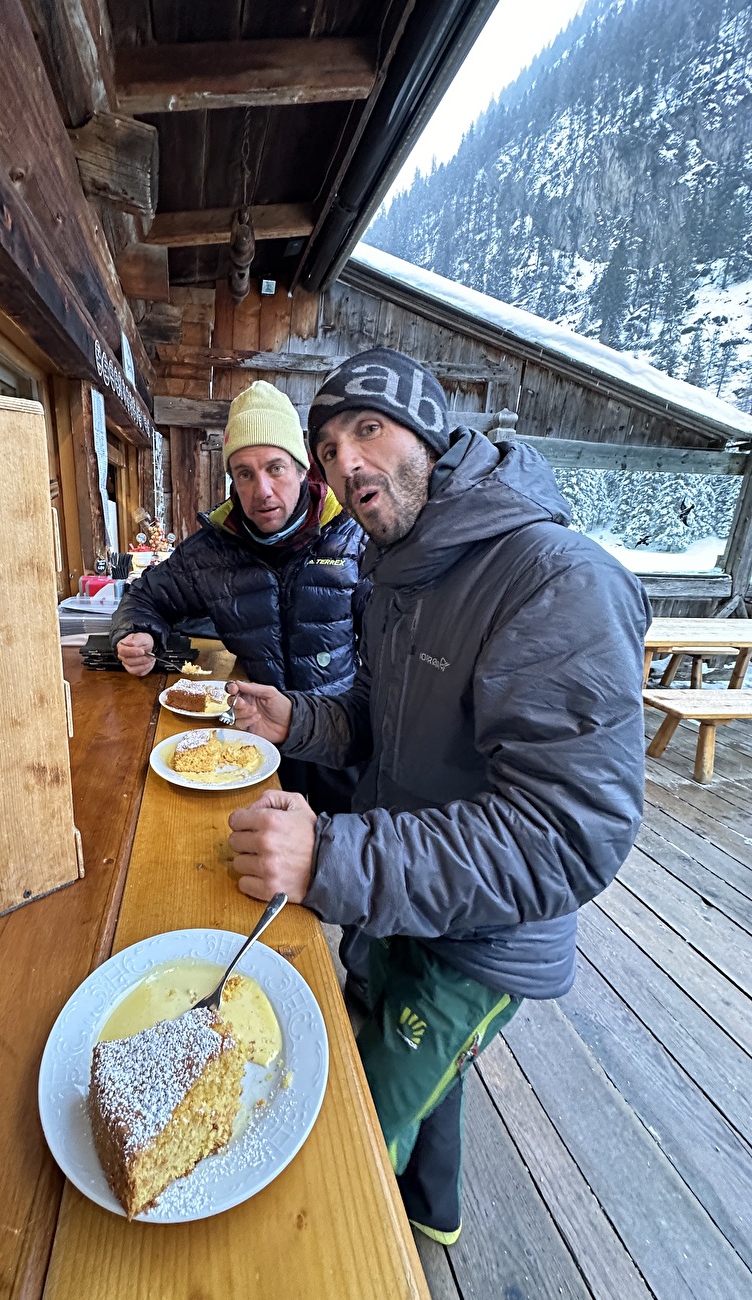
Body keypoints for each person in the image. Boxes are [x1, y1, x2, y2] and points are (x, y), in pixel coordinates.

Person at [225, 347, 650, 1244]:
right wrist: (296, 721)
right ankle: (435, 1207)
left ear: (429, 429)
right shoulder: (397, 568)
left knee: (339, 1146)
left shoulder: (556, 578)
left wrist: (331, 855)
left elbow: (563, 839)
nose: (346, 463)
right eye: (330, 445)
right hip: (395, 895)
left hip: (479, 939)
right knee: (393, 1043)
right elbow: (381, 719)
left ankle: (358, 1243)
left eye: (367, 430)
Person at [110, 380, 368, 813]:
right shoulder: (212, 551)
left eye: (275, 468)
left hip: (341, 748)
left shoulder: (353, 538)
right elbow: (143, 598)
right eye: (244, 473)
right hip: (252, 748)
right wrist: (137, 634)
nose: (261, 490)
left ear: (304, 469)